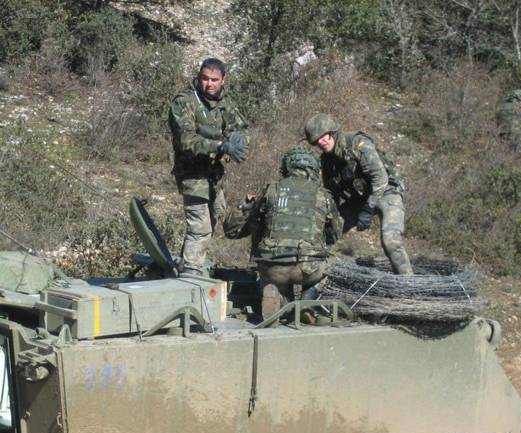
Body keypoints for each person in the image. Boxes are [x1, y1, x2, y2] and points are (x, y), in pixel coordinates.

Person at [224, 148, 341, 318]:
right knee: (334, 265)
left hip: (272, 268)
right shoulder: (323, 195)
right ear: (314, 169)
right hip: (307, 268)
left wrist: (244, 206)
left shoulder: (271, 190)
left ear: (286, 167)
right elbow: (335, 234)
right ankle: (307, 301)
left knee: (276, 280)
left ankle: (278, 297)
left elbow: (234, 230)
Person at [304, 113, 413, 275]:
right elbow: (331, 194)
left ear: (332, 132)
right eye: (316, 141)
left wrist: (368, 209)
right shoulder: (327, 161)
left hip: (386, 192)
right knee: (325, 234)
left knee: (391, 241)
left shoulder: (358, 143)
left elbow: (380, 177)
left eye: (323, 136)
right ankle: (313, 274)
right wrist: (328, 219)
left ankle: (407, 281)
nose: (321, 142)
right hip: (358, 200)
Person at [168, 58, 249, 276]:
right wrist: (220, 145)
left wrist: (238, 141)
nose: (209, 84)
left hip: (214, 176)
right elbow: (186, 141)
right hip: (192, 175)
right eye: (205, 79)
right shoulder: (184, 102)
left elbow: (240, 128)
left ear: (223, 80)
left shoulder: (225, 102)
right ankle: (191, 273)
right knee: (199, 226)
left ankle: (187, 262)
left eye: (214, 80)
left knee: (215, 217)